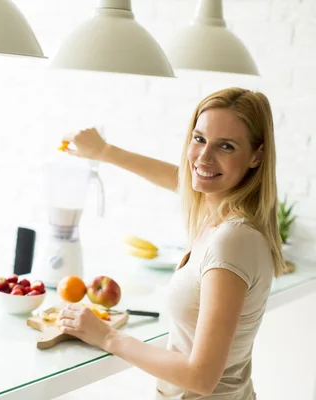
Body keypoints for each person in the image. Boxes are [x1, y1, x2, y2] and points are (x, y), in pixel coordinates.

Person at [58, 87, 286, 399]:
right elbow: (181, 176)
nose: (204, 157)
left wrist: (107, 337)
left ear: (256, 156)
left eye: (227, 146)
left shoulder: (232, 240)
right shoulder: (220, 213)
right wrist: (103, 152)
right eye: (199, 138)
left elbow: (202, 377)